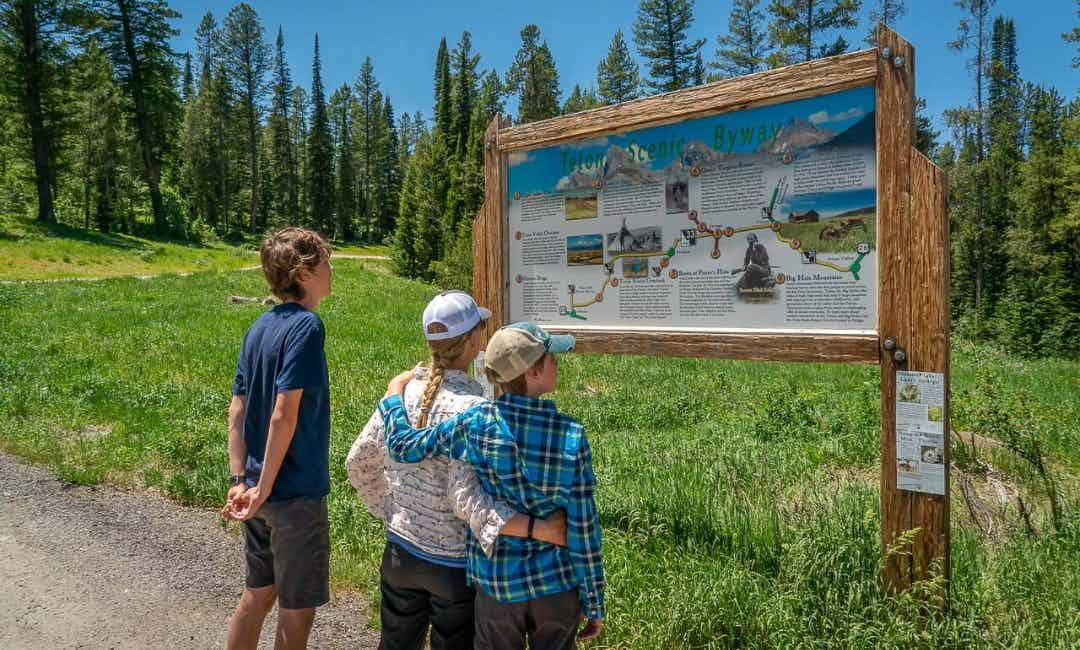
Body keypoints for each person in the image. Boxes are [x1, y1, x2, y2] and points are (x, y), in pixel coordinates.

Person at [346, 291, 568, 650]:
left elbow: (357, 462)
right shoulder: (476, 409)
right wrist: (536, 528)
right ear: (474, 340)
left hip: (400, 552)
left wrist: (390, 510)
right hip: (453, 565)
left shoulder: (401, 393)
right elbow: (465, 499)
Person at [378, 322, 605, 649]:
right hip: (556, 585)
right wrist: (593, 600)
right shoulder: (571, 435)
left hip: (496, 586)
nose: (557, 363)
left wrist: (393, 400)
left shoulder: (477, 422)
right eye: (551, 357)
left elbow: (403, 446)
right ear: (532, 372)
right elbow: (583, 527)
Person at [221, 227, 334, 650]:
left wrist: (241, 483)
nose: (331, 269)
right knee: (296, 611)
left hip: (254, 488)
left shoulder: (258, 328)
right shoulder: (307, 327)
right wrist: (265, 488)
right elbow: (283, 415)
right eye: (325, 262)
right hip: (293, 494)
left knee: (258, 594)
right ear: (303, 273)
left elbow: (238, 410)